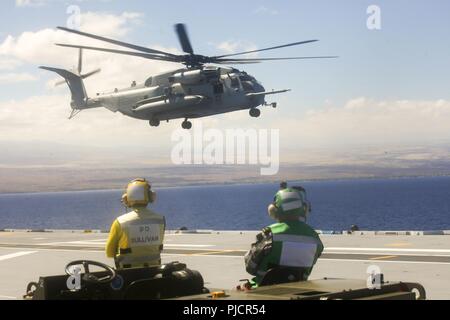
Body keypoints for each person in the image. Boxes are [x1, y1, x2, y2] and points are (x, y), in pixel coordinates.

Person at [244, 185, 323, 288]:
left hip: (262, 290)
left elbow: (250, 267)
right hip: (299, 290)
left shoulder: (269, 235)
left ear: (274, 211)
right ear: (304, 209)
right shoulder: (315, 239)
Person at [106, 178, 166, 269]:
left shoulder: (120, 222)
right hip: (155, 271)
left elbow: (109, 252)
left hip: (127, 273)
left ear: (126, 198)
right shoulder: (161, 220)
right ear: (150, 197)